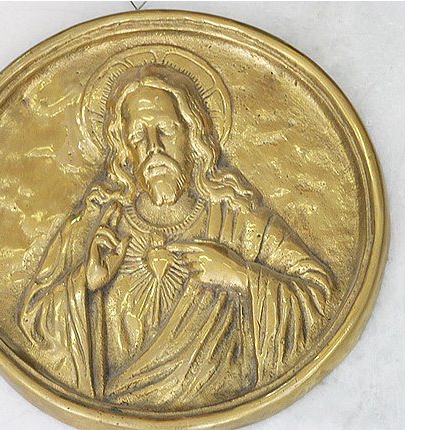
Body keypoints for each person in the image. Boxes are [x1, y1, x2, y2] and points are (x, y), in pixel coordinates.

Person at [19, 64, 334, 410]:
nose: (153, 148)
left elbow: (321, 299)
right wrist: (84, 283)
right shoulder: (96, 223)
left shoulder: (239, 220)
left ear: (193, 136)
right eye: (138, 137)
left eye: (165, 129)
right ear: (124, 151)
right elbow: (33, 324)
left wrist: (241, 276)